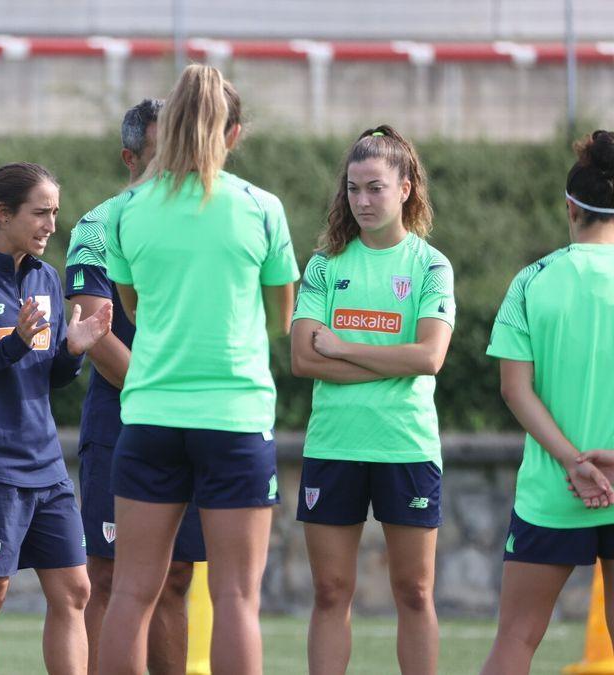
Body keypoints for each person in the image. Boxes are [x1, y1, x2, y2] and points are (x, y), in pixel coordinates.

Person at [96, 64, 298, 675]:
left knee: (131, 592)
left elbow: (133, 307)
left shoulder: (126, 210)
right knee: (236, 597)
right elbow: (281, 318)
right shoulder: (263, 208)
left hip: (152, 415)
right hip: (235, 417)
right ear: (232, 134)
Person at [0, 162, 112, 675]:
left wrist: (73, 351)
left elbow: (48, 373)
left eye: (55, 212)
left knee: (75, 590)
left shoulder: (47, 278)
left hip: (45, 465)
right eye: (40, 213)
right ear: (2, 213)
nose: (52, 224)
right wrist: (8, 344)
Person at [289, 125, 453, 675]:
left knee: (414, 593)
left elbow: (429, 357)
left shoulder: (430, 266)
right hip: (334, 445)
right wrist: (385, 361)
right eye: (353, 189)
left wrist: (343, 348)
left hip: (405, 446)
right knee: (331, 592)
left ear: (405, 188)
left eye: (375, 188)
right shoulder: (324, 266)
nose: (361, 200)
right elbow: (304, 360)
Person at [64, 98, 206, 675]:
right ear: (130, 157)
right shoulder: (100, 223)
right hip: (122, 422)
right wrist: (160, 391)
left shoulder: (211, 219)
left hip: (198, 421)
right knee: (110, 573)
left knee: (176, 578)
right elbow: (95, 333)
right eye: (162, 150)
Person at [479, 131, 614, 675]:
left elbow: (515, 389)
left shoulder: (531, 281)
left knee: (516, 638)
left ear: (570, 207)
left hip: (553, 489)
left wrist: (572, 462)